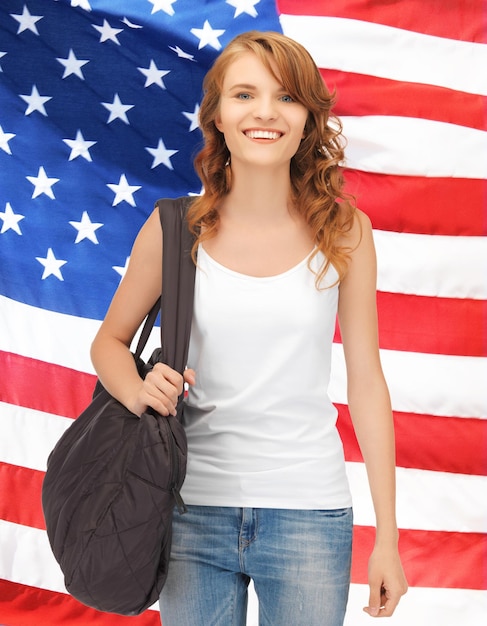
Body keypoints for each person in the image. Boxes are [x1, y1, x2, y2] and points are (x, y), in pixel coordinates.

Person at [91, 30, 408, 626]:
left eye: (286, 97)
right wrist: (137, 390)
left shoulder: (346, 232)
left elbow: (368, 383)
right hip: (188, 511)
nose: (265, 112)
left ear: (309, 120)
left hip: (310, 514)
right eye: (244, 94)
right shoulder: (174, 227)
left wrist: (388, 538)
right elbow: (108, 342)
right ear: (217, 115)